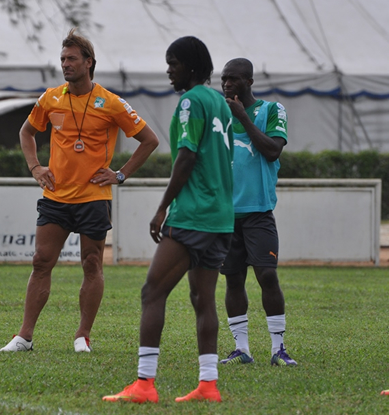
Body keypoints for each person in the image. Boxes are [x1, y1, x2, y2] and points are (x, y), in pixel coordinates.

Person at [0, 28, 159, 353]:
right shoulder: (50, 97)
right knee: (42, 261)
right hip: (56, 196)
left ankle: (82, 336)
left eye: (71, 58)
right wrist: (35, 167)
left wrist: (121, 175)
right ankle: (24, 337)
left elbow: (149, 140)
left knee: (91, 264)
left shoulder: (111, 102)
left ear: (89, 62)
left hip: (94, 198)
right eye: (62, 59)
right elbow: (26, 132)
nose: (65, 64)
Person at [103, 36, 233, 404]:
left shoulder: (191, 101)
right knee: (202, 298)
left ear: (190, 67)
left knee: (152, 291)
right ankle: (208, 386)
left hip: (194, 215)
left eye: (173, 63)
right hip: (221, 217)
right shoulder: (220, 103)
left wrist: (162, 208)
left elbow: (187, 157)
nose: (168, 70)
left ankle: (144, 384)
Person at [217, 58, 297, 367]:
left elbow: (273, 149)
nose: (226, 84)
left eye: (233, 79)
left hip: (259, 212)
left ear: (249, 82)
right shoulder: (218, 116)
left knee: (267, 275)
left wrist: (244, 118)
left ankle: (278, 348)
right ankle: (242, 349)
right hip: (226, 214)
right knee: (233, 279)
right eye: (224, 79)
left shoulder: (271, 111)